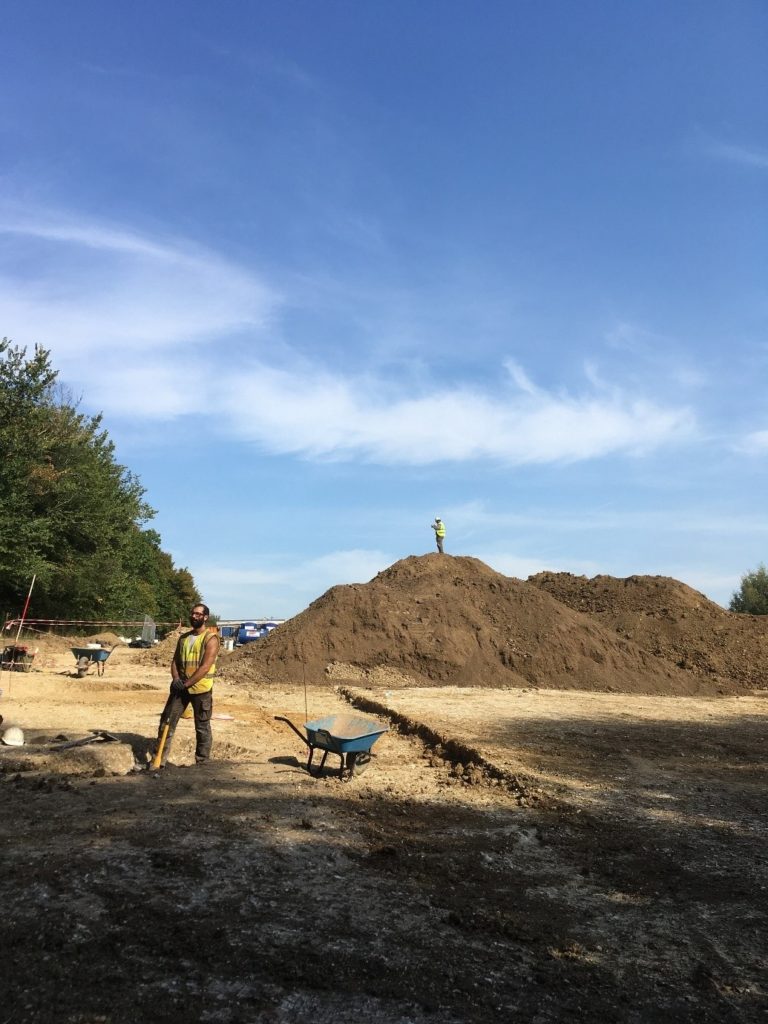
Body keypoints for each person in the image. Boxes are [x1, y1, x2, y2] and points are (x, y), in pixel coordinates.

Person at [155, 603, 220, 766]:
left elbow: (205, 667)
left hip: (201, 689)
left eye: (198, 614)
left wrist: (187, 683)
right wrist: (176, 678)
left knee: (202, 726)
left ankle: (202, 762)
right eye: (193, 613)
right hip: (181, 688)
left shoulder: (210, 639)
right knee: (167, 722)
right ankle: (158, 760)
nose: (194, 616)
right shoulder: (183, 638)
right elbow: (175, 661)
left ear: (205, 617)